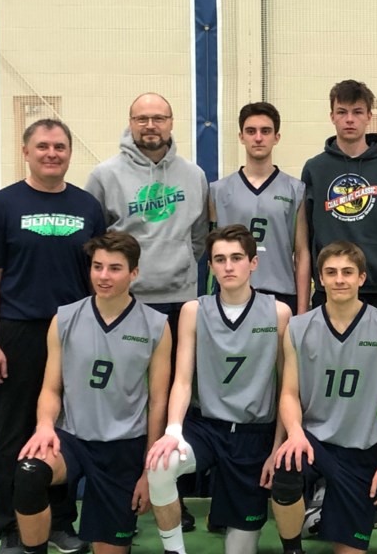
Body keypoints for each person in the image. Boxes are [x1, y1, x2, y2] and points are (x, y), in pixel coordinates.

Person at [0, 118, 103, 554]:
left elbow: (97, 278)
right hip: (19, 333)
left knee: (66, 430)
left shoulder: (88, 207)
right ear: (26, 152)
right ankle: (11, 525)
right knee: (14, 433)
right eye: (43, 146)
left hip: (74, 332)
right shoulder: (1, 206)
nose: (52, 153)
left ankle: (61, 521)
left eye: (60, 146)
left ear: (69, 153)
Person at [85, 92, 209, 529]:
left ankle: (167, 496)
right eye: (142, 118)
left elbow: (199, 238)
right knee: (129, 400)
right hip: (127, 304)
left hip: (179, 300)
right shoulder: (104, 175)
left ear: (172, 122)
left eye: (158, 118)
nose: (150, 125)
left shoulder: (193, 175)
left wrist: (172, 267)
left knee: (177, 400)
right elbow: (97, 242)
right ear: (130, 122)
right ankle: (127, 495)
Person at [12, 232, 172, 554]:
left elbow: (158, 402)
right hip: (71, 438)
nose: (103, 276)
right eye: (97, 266)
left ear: (134, 273)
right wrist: (45, 426)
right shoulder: (65, 318)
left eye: (114, 268)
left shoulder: (156, 326)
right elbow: (50, 388)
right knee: (29, 472)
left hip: (123, 447)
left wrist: (147, 471)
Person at [145, 225, 292, 554]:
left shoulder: (279, 313)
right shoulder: (193, 311)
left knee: (239, 550)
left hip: (254, 435)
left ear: (253, 263)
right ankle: (174, 550)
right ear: (209, 266)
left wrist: (276, 448)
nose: (228, 266)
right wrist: (173, 430)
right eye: (220, 259)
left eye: (236, 258)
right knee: (160, 464)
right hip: (206, 428)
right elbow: (182, 379)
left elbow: (286, 388)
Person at [270, 241, 377, 554]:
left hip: (361, 447)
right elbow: (289, 392)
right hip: (313, 438)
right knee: (287, 465)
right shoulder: (298, 327)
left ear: (361, 278)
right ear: (319, 279)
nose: (339, 279)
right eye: (331, 272)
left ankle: (324, 509)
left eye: (347, 272)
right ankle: (292, 549)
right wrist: (294, 434)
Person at [301, 79, 377, 317]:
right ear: (332, 116)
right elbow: (307, 235)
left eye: (357, 112)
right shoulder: (315, 169)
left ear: (369, 116)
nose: (349, 119)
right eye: (342, 112)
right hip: (330, 289)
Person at [209, 102, 310, 314]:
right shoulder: (218, 191)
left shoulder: (295, 189)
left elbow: (301, 253)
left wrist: (301, 311)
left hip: (280, 294)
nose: (258, 138)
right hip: (230, 294)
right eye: (251, 131)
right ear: (241, 137)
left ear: (277, 137)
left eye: (265, 131)